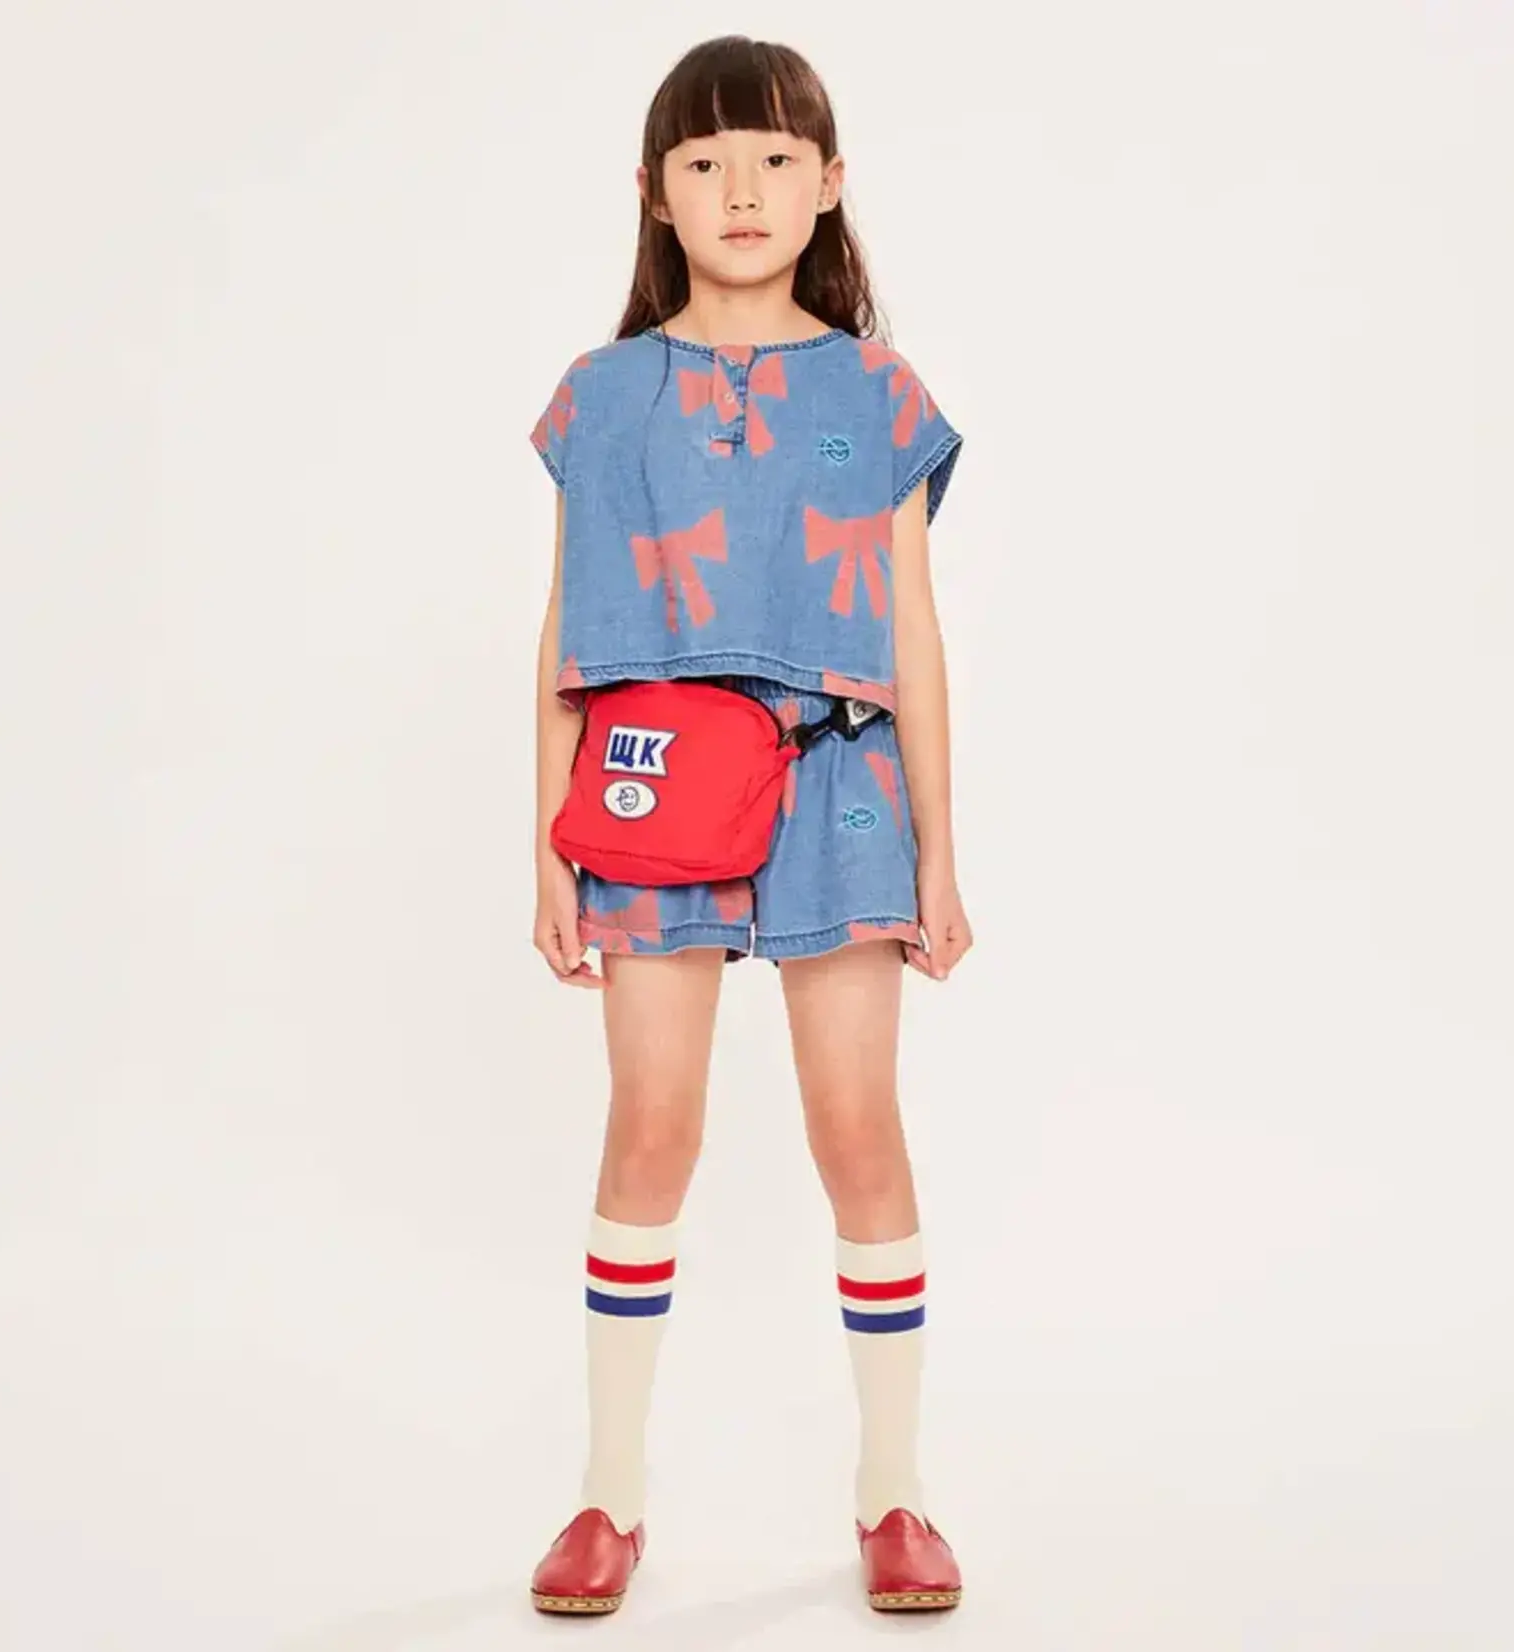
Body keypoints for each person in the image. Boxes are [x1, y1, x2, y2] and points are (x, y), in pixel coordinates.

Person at [525, 34, 973, 1617]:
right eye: (706, 160)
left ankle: (894, 1493)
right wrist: (547, 842)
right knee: (653, 1126)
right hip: (652, 784)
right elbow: (567, 628)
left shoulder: (879, 390)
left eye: (777, 159)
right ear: (655, 192)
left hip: (841, 789)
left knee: (858, 1130)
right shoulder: (602, 395)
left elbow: (912, 631)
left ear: (829, 184)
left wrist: (939, 852)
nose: (742, 189)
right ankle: (609, 1496)